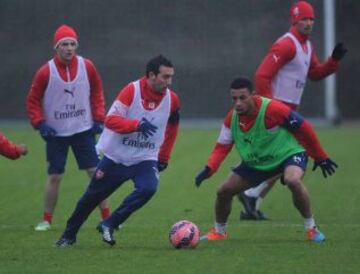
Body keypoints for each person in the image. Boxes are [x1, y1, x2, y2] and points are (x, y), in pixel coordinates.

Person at [237, 0, 347, 220]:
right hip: (278, 111)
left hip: (287, 111)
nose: (308, 23)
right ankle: (250, 193)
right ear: (294, 20)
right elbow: (262, 75)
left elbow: (314, 74)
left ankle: (251, 200)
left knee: (282, 157)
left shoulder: (307, 46)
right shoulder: (287, 44)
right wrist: (269, 108)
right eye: (303, 19)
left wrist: (333, 61)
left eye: (311, 19)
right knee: (291, 155)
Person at [55, 55, 180, 247]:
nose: (169, 82)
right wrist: (137, 125)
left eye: (171, 77)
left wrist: (163, 156)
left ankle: (109, 223)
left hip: (145, 159)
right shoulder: (132, 90)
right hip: (116, 157)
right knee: (90, 198)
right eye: (165, 77)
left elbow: (173, 127)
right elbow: (111, 120)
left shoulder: (173, 99)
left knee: (148, 188)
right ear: (151, 75)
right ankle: (68, 235)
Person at [195, 76, 337, 242]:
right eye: (234, 99)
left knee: (293, 181)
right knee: (223, 191)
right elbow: (222, 147)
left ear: (253, 95)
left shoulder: (273, 109)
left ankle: (311, 228)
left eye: (242, 98)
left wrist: (320, 156)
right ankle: (219, 232)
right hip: (258, 163)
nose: (238, 103)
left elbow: (303, 127)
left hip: (288, 155)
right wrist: (209, 168)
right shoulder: (231, 119)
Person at [26, 24, 110, 231]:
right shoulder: (45, 71)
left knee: (95, 172)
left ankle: (108, 217)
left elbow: (97, 91)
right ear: (56, 47)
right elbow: (33, 100)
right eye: (64, 44)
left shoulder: (87, 66)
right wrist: (40, 123)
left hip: (83, 130)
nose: (69, 48)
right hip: (56, 133)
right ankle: (46, 220)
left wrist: (99, 118)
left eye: (73, 44)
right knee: (55, 176)